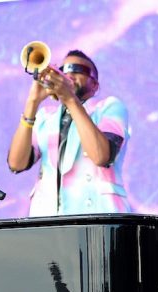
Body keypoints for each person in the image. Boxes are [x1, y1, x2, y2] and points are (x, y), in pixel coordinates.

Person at [7, 48, 129, 216]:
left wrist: (70, 98)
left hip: (97, 218)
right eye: (63, 70)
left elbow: (101, 156)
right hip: (48, 221)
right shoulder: (46, 117)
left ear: (95, 85)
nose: (69, 74)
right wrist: (32, 102)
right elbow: (16, 163)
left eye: (79, 70)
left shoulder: (109, 107)